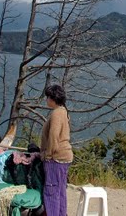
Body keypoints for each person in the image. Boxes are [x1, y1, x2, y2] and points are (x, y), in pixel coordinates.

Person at [40, 84, 73, 216]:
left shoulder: (56, 114)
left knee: (51, 192)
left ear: (53, 98)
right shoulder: (63, 111)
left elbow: (53, 137)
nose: (46, 100)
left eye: (47, 97)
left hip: (56, 158)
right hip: (64, 157)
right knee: (60, 191)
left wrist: (46, 156)